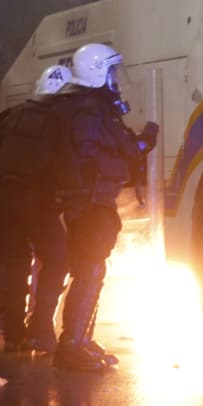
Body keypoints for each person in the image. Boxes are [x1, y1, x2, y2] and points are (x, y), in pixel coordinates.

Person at [50, 43, 156, 372]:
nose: (116, 80)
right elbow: (102, 152)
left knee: (92, 270)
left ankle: (81, 339)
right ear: (97, 73)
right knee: (89, 270)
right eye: (111, 72)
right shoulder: (89, 111)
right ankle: (71, 346)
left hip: (89, 201)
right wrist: (142, 141)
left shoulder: (85, 108)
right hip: (89, 202)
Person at [0, 65, 76, 354]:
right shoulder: (60, 121)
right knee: (58, 259)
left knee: (14, 265)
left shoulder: (9, 116)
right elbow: (66, 165)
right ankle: (40, 328)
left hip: (4, 200)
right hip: (38, 201)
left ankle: (13, 335)